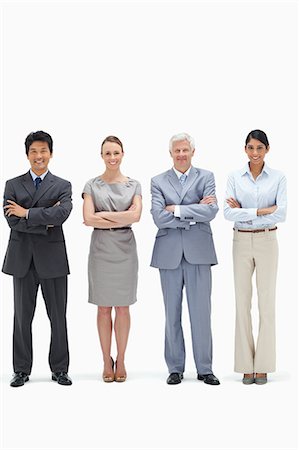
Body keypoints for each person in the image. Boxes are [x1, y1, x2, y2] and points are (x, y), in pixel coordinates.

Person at [2, 131, 73, 387]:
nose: (39, 156)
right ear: (27, 155)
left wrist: (27, 213)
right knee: (22, 318)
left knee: (58, 317)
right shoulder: (12, 184)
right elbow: (12, 221)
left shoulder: (63, 185)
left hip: (52, 259)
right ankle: (21, 370)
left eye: (43, 151)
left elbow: (62, 215)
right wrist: (45, 218)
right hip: (22, 259)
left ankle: (60, 369)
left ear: (50, 154)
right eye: (34, 151)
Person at [150, 132, 220, 385]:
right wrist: (194, 211)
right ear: (171, 154)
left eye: (185, 150)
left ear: (193, 152)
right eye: (177, 151)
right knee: (172, 312)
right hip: (168, 254)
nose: (181, 154)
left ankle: (205, 368)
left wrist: (177, 210)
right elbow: (158, 217)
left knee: (202, 312)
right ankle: (175, 368)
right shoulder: (158, 181)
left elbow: (211, 210)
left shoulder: (206, 177)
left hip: (199, 252)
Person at [224, 129, 287, 385]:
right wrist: (261, 210)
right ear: (245, 149)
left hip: (267, 240)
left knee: (267, 303)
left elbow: (280, 214)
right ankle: (245, 366)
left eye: (260, 148)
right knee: (242, 303)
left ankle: (263, 365)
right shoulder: (234, 177)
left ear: (267, 150)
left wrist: (246, 211)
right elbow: (228, 214)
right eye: (251, 147)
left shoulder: (279, 178)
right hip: (240, 240)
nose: (255, 153)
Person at [82, 136, 142, 382]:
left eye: (116, 152)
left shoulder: (134, 184)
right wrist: (121, 216)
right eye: (108, 153)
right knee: (104, 307)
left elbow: (136, 217)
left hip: (125, 249)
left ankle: (122, 359)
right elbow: (88, 219)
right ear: (102, 156)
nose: (112, 157)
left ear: (123, 154)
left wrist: (103, 214)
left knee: (123, 307)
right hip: (101, 249)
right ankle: (106, 360)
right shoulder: (91, 185)